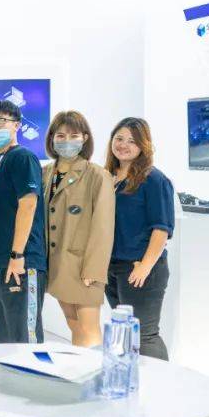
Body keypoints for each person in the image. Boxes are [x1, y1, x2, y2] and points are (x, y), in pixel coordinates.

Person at [0, 100, 48, 345]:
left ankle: (34, 375)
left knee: (25, 338)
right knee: (4, 340)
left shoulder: (22, 157)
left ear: (16, 125)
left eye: (0, 121)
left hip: (19, 262)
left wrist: (17, 255)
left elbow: (28, 205)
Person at [41, 111, 114, 347]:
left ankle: (95, 369)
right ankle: (78, 367)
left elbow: (103, 226)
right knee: (73, 324)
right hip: (57, 263)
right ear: (52, 139)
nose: (67, 141)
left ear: (85, 138)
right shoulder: (45, 173)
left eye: (73, 136)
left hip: (84, 266)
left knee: (89, 328)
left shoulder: (97, 175)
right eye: (60, 136)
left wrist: (94, 268)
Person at [105, 117, 175, 360]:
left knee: (144, 335)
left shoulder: (154, 179)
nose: (123, 145)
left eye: (132, 141)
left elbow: (161, 229)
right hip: (113, 268)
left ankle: (159, 380)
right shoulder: (109, 178)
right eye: (119, 139)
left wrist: (145, 266)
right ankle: (133, 379)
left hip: (140, 269)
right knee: (124, 332)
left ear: (143, 145)